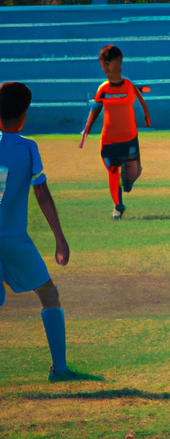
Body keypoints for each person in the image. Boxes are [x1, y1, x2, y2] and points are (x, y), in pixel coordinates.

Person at [0, 82, 75, 381]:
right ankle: (60, 368)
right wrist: (60, 238)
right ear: (24, 115)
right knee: (48, 293)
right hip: (15, 240)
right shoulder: (28, 147)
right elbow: (41, 194)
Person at [80, 45, 151, 219]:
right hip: (109, 140)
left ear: (118, 63)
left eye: (107, 62)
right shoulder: (103, 89)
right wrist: (86, 130)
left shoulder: (128, 86)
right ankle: (118, 207)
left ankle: (126, 183)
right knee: (112, 171)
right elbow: (95, 109)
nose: (103, 66)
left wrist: (147, 117)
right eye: (102, 63)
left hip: (129, 139)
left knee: (132, 175)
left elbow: (140, 98)